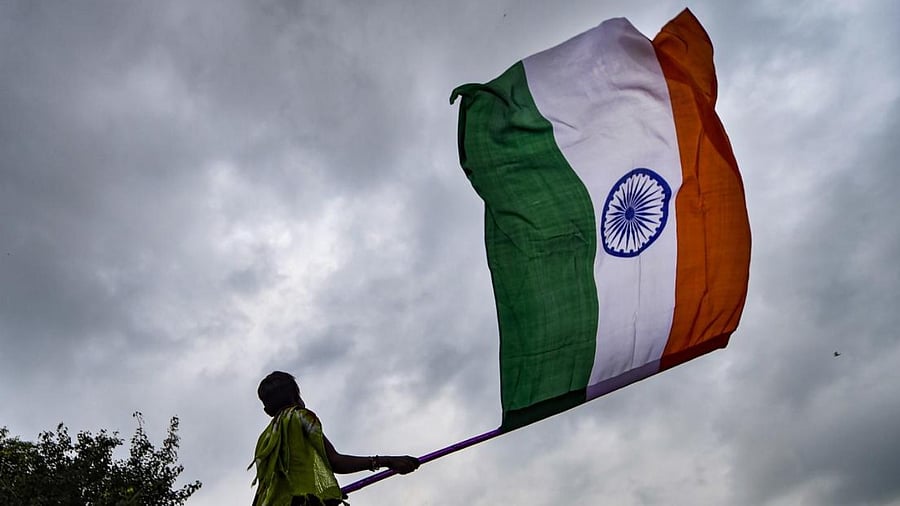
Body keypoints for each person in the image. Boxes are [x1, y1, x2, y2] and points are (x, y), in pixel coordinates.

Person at [250, 371, 420, 506]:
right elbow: (335, 462)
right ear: (297, 398)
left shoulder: (264, 440)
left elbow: (265, 489)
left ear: (267, 411)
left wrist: (325, 496)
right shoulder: (301, 417)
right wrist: (388, 461)